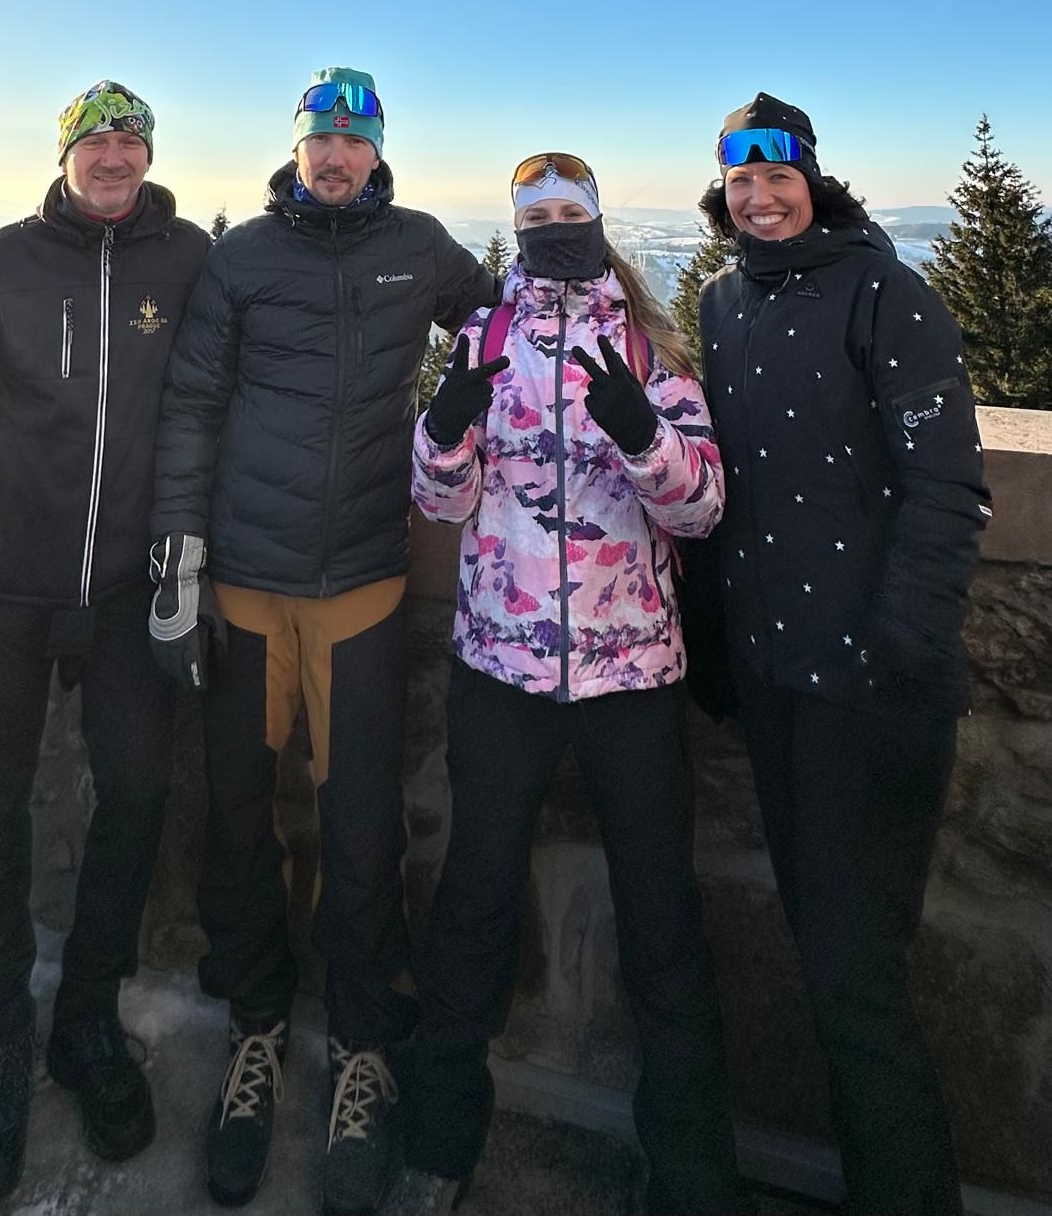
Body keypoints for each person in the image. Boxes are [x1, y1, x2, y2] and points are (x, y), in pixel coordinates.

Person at [148, 66, 500, 1213]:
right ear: (297, 148)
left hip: (363, 586)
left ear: (378, 149)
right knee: (240, 818)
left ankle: (361, 1046)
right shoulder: (244, 255)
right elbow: (193, 402)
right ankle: (256, 1029)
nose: (338, 156)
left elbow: (507, 325)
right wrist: (178, 552)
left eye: (356, 138)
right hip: (248, 586)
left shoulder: (421, 246)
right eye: (321, 139)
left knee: (361, 828)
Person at [401, 153, 748, 1216]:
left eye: (569, 212)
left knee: (662, 918)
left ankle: (693, 1176)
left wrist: (644, 435)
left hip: (633, 674)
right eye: (536, 215)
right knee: (472, 900)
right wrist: (445, 429)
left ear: (596, 223)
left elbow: (702, 508)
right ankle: (437, 1145)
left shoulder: (648, 345)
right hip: (501, 668)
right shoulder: (484, 337)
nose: (553, 228)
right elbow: (440, 502)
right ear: (516, 228)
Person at [0, 82, 210, 1205]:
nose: (114, 156)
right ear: (66, 154)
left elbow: (212, 402)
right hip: (6, 578)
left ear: (149, 154)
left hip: (127, 587)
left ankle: (86, 1014)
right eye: (96, 141)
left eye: (131, 139)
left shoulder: (189, 261)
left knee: (135, 792)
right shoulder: (6, 258)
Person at [697, 92, 991, 1216]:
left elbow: (949, 488)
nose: (761, 197)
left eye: (779, 176)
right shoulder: (724, 301)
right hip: (775, 686)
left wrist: (901, 652)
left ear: (814, 181)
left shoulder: (886, 294)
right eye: (741, 180)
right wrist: (718, 646)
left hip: (868, 695)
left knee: (858, 986)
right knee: (836, 973)